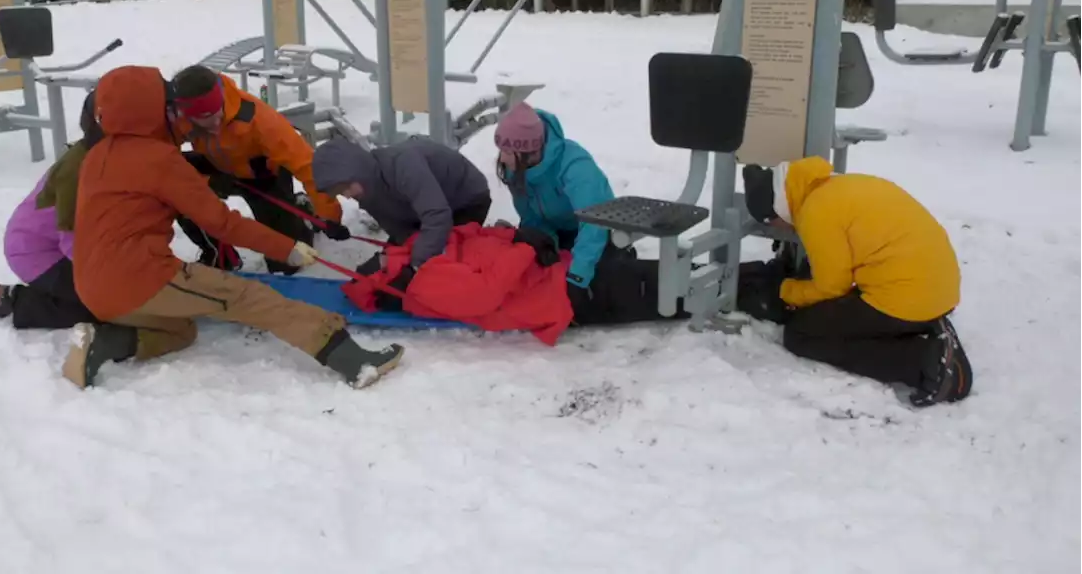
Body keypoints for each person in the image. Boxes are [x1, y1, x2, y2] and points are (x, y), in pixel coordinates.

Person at [64, 65, 404, 390]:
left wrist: (326, 214)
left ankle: (104, 342)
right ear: (149, 112)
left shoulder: (96, 155)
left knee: (180, 334)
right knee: (248, 297)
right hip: (140, 277)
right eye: (167, 106)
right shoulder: (160, 159)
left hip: (91, 287)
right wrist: (285, 248)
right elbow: (221, 222)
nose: (175, 114)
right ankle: (352, 360)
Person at [738, 156, 973, 407]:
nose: (782, 228)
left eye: (774, 223)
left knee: (802, 333)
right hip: (935, 289)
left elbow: (832, 286)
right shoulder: (839, 186)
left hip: (904, 298)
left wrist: (786, 292)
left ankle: (925, 361)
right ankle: (924, 324)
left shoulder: (815, 211)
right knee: (839, 314)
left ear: (777, 208)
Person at [344, 221, 687, 345]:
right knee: (685, 291)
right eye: (381, 263)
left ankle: (737, 282)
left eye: (384, 254)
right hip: (566, 297)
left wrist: (516, 235)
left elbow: (475, 233)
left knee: (683, 273)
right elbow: (486, 294)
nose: (386, 255)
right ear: (384, 278)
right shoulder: (425, 282)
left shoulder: (429, 248)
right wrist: (525, 247)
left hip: (565, 272)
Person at [165, 65, 346, 275]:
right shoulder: (176, 117)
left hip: (264, 176)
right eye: (205, 120)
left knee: (286, 263)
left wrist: (330, 215)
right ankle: (219, 255)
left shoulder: (260, 120)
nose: (216, 126)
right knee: (173, 190)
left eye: (218, 115)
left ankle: (303, 212)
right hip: (217, 168)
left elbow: (307, 166)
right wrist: (203, 183)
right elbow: (159, 154)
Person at [492, 102, 649, 325]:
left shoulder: (576, 167)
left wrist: (577, 276)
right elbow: (532, 216)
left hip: (599, 228)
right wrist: (546, 243)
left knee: (599, 288)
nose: (503, 159)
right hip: (563, 230)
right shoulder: (516, 168)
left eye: (508, 151)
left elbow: (594, 223)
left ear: (531, 150)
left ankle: (625, 263)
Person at [311, 136, 492, 311]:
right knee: (386, 272)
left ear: (357, 171)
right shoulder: (366, 189)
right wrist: (397, 255)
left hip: (465, 202)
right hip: (422, 210)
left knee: (441, 269)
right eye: (340, 192)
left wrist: (416, 264)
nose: (348, 195)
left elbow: (437, 216)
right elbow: (397, 227)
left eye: (346, 187)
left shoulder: (404, 165)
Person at [0, 94, 101, 330]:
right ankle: (21, 302)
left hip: (50, 246)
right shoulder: (79, 171)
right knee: (106, 305)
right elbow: (71, 239)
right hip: (38, 254)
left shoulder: (97, 156)